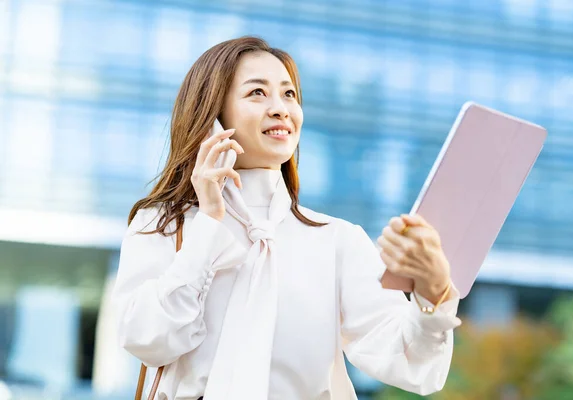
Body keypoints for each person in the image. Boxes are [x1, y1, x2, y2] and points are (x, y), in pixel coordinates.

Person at [112, 36, 462, 400]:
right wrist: (208, 225)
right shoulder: (163, 225)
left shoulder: (337, 240)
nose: (281, 109)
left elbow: (411, 364)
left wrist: (433, 295)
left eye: (289, 95)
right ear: (211, 115)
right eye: (257, 93)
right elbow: (147, 339)